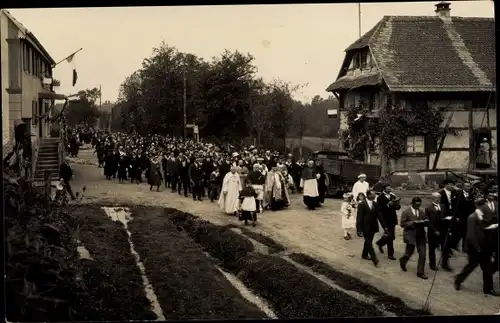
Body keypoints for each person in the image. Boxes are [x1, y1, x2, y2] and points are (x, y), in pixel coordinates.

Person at [454, 199, 499, 296]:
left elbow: (484, 229)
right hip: (475, 248)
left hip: (484, 247)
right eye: (483, 206)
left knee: (487, 268)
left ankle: (488, 289)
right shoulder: (472, 217)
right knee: (471, 266)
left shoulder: (482, 216)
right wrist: (477, 248)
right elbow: (470, 235)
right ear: (478, 206)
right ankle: (458, 280)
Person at [399, 197, 430, 279]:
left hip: (420, 235)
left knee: (423, 253)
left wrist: (426, 221)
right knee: (409, 252)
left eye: (419, 205)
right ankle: (403, 260)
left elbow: (426, 219)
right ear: (412, 203)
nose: (418, 207)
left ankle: (420, 272)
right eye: (416, 205)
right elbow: (402, 224)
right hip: (410, 235)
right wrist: (413, 222)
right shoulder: (406, 212)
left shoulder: (421, 212)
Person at [356, 190, 386, 267]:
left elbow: (380, 216)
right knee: (369, 242)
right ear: (368, 195)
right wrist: (359, 229)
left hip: (373, 226)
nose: (374, 196)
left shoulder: (376, 204)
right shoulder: (362, 204)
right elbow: (359, 218)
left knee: (368, 241)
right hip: (365, 227)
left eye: (375, 194)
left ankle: (364, 254)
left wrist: (384, 226)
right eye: (373, 194)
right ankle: (374, 259)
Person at [375, 184, 400, 260]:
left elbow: (398, 208)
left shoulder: (392, 196)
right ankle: (390, 254)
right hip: (385, 219)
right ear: (384, 189)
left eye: (390, 188)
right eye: (388, 189)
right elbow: (380, 210)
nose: (389, 190)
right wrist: (388, 205)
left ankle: (380, 243)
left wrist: (397, 204)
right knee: (389, 236)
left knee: (392, 236)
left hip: (392, 218)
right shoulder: (380, 198)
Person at [425, 192, 445, 271]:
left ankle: (444, 263)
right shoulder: (428, 208)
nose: (438, 200)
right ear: (432, 199)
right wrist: (434, 230)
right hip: (433, 231)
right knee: (432, 248)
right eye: (436, 198)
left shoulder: (443, 207)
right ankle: (432, 264)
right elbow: (428, 221)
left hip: (442, 230)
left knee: (444, 246)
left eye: (439, 198)